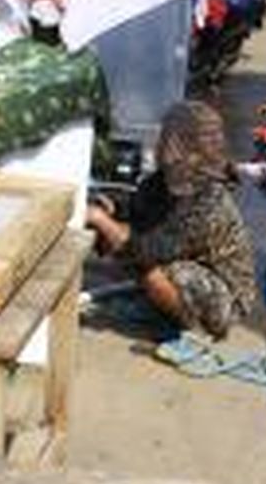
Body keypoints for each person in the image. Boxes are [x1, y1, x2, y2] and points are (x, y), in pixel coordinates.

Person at [86, 101, 256, 340]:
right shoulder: (166, 179)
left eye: (176, 140)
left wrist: (102, 221)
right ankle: (169, 306)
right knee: (141, 257)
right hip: (190, 263)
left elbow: (149, 251)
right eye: (166, 137)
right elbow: (138, 207)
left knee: (160, 272)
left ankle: (192, 323)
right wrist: (111, 205)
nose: (164, 147)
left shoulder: (210, 200)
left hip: (226, 296)